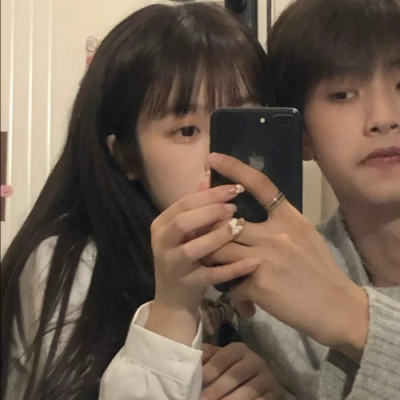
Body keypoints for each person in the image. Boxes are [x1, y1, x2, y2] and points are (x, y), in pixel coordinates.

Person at [98, 1, 399, 400]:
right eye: (342, 93)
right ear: (301, 134)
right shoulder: (269, 293)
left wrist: (356, 321)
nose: (384, 117)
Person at [0, 3, 280, 400]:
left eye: (240, 122)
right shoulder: (69, 263)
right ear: (127, 157)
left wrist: (270, 388)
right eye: (186, 130)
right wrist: (172, 309)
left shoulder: (267, 249)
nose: (218, 157)